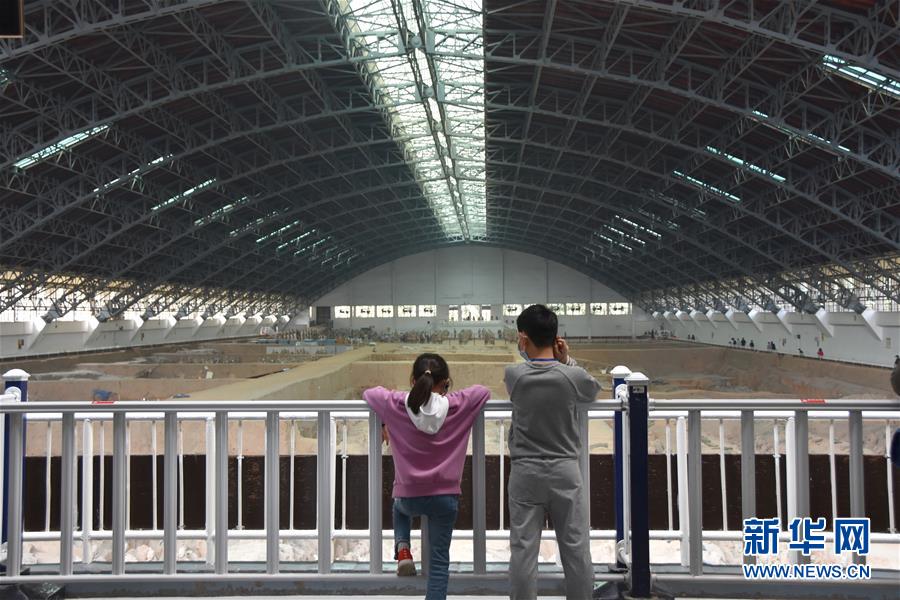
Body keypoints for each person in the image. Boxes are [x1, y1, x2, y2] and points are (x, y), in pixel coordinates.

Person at [363, 353, 490, 599]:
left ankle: (403, 549)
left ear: (413, 380)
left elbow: (370, 393)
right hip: (446, 498)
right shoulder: (458, 405)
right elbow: (483, 392)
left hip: (409, 497)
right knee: (439, 562)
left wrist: (386, 420)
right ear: (445, 383)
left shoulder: (396, 404)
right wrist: (449, 395)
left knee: (398, 505)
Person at [506, 305, 600, 600]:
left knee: (523, 550)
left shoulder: (514, 376)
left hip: (525, 472)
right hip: (565, 472)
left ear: (523, 338)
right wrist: (566, 360)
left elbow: (528, 367)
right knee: (575, 548)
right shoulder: (572, 376)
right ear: (556, 337)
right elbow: (592, 389)